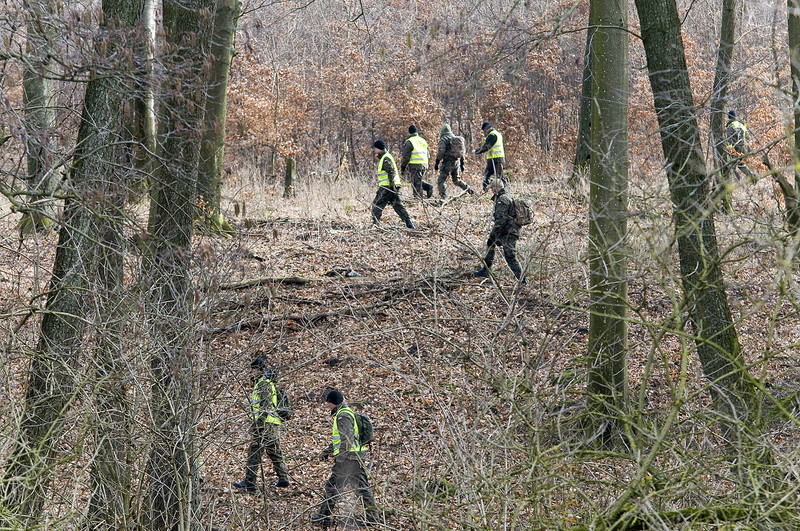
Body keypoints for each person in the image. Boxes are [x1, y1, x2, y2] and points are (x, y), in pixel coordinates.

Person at [311, 391, 378, 527]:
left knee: (332, 487)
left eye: (327, 402)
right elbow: (340, 438)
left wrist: (341, 459)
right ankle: (373, 517)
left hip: (348, 459)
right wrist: (328, 451)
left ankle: (324, 517)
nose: (326, 405)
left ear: (333, 402)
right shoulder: (345, 413)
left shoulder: (343, 416)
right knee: (362, 487)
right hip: (355, 457)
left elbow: (346, 438)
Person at [233, 358, 291, 492]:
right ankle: (284, 479)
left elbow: (264, 407)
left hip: (264, 425)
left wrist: (258, 424)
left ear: (259, 369)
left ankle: (249, 482)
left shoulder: (263, 384)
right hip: (272, 424)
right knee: (274, 452)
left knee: (255, 451)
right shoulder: (265, 383)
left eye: (253, 369)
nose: (251, 371)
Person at [474, 178, 525, 283]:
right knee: (491, 245)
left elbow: (500, 220)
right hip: (506, 231)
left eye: (492, 188)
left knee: (510, 256)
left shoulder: (502, 200)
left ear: (497, 187)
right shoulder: (507, 196)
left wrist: (493, 235)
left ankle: (522, 280)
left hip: (509, 232)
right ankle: (486, 270)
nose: (492, 190)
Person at [371, 140, 415, 229]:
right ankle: (409, 224)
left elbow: (391, 172)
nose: (373, 150)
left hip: (387, 187)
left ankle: (376, 225)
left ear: (379, 148)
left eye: (375, 148)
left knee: (377, 204)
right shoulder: (385, 157)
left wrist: (391, 187)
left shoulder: (385, 158)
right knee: (398, 205)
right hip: (393, 186)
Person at [434, 124, 475, 199]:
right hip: (457, 162)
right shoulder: (456, 139)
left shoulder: (444, 139)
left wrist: (437, 162)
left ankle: (443, 197)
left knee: (442, 180)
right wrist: (462, 164)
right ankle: (470, 190)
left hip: (448, 162)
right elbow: (462, 153)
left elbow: (441, 151)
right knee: (456, 180)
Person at [400, 125, 433, 198]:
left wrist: (403, 167)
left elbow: (406, 156)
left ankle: (418, 199)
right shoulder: (423, 140)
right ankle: (428, 187)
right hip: (425, 163)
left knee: (416, 183)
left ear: (409, 132)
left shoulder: (409, 141)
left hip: (415, 164)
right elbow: (428, 154)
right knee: (417, 180)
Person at [474, 121, 506, 191]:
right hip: (495, 159)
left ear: (486, 129)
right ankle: (500, 191)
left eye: (483, 131)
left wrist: (476, 151)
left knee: (488, 177)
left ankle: (485, 192)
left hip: (495, 159)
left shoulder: (492, 135)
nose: (483, 133)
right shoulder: (497, 134)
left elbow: (486, 147)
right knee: (499, 177)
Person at [725, 110, 755, 180]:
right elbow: (747, 137)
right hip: (744, 147)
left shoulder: (731, 126)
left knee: (732, 167)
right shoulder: (741, 124)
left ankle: (738, 182)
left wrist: (730, 149)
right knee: (741, 164)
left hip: (736, 148)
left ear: (729, 117)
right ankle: (752, 177)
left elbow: (729, 139)